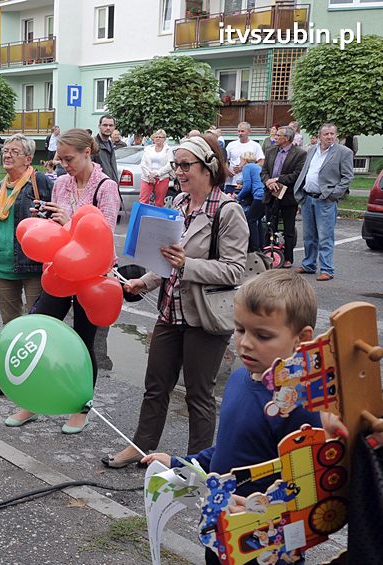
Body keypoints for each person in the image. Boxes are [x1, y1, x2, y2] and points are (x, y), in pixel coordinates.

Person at [140, 270, 348, 565]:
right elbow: (226, 453)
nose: (246, 343)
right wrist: (179, 463)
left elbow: (312, 492)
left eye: (262, 335)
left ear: (301, 339)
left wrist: (261, 512)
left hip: (267, 549)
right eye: (240, 330)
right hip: (222, 534)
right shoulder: (239, 380)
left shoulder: (299, 408)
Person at [104, 135, 248, 468]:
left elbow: (234, 271)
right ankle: (140, 448)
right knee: (155, 385)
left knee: (199, 395)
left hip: (205, 317)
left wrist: (188, 265)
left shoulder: (228, 210)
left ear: (208, 167)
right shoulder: (179, 203)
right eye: (176, 165)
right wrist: (145, 279)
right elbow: (168, 259)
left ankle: (198, 465)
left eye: (186, 165)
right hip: (170, 311)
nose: (179, 171)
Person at [4, 129, 120, 433]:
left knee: (84, 341)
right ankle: (32, 401)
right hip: (59, 272)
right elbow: (55, 232)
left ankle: (81, 407)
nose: (63, 164)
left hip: (92, 278)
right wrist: (46, 220)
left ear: (87, 152)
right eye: (60, 158)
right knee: (37, 328)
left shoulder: (106, 187)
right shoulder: (62, 183)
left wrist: (67, 223)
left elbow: (103, 237)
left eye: (68, 158)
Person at [0, 133, 53, 328]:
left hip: (33, 266)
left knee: (37, 325)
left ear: (28, 159)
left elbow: (56, 221)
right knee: (11, 326)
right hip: (3, 267)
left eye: (14, 152)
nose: (7, 155)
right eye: (6, 151)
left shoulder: (40, 183)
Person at [293, 123, 354, 281]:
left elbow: (347, 177)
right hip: (308, 198)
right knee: (308, 235)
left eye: (332, 134)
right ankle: (309, 265)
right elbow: (306, 171)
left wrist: (333, 195)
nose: (329, 137)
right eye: (326, 134)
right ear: (320, 136)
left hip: (325, 200)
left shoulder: (344, 152)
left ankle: (327, 269)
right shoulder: (312, 150)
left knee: (325, 236)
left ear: (336, 135)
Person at [261, 126, 307, 268]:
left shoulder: (300, 154)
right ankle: (268, 255)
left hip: (288, 196)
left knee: (288, 229)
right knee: (269, 225)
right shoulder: (270, 152)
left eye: (278, 136)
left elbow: (297, 174)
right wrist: (268, 181)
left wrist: (278, 180)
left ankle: (288, 258)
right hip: (271, 194)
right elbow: (264, 172)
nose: (274, 138)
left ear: (286, 138)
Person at [236, 151, 266, 251]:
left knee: (250, 220)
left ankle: (254, 248)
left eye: (240, 160)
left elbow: (247, 186)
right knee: (258, 221)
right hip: (266, 195)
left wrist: (237, 197)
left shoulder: (247, 167)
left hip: (258, 195)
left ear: (244, 160)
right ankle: (261, 246)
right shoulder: (257, 167)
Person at [224, 122, 264, 195]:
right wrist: (227, 170)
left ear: (249, 132)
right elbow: (224, 160)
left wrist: (246, 168)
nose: (240, 133)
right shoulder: (231, 145)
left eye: (242, 131)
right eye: (238, 131)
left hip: (247, 182)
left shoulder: (255, 145)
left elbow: (261, 162)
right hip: (231, 181)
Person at [138, 129, 173, 206]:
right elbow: (143, 163)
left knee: (159, 202)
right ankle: (141, 216)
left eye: (160, 137)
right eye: (156, 137)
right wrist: (149, 175)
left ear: (164, 139)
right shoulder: (148, 149)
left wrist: (157, 173)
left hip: (162, 178)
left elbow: (170, 164)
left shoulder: (168, 150)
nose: (158, 138)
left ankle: (156, 217)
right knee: (143, 200)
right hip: (147, 177)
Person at [91, 115, 119, 181]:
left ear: (114, 127)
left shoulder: (111, 145)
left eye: (111, 125)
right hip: (99, 187)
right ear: (99, 126)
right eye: (105, 125)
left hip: (111, 186)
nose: (108, 128)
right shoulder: (92, 144)